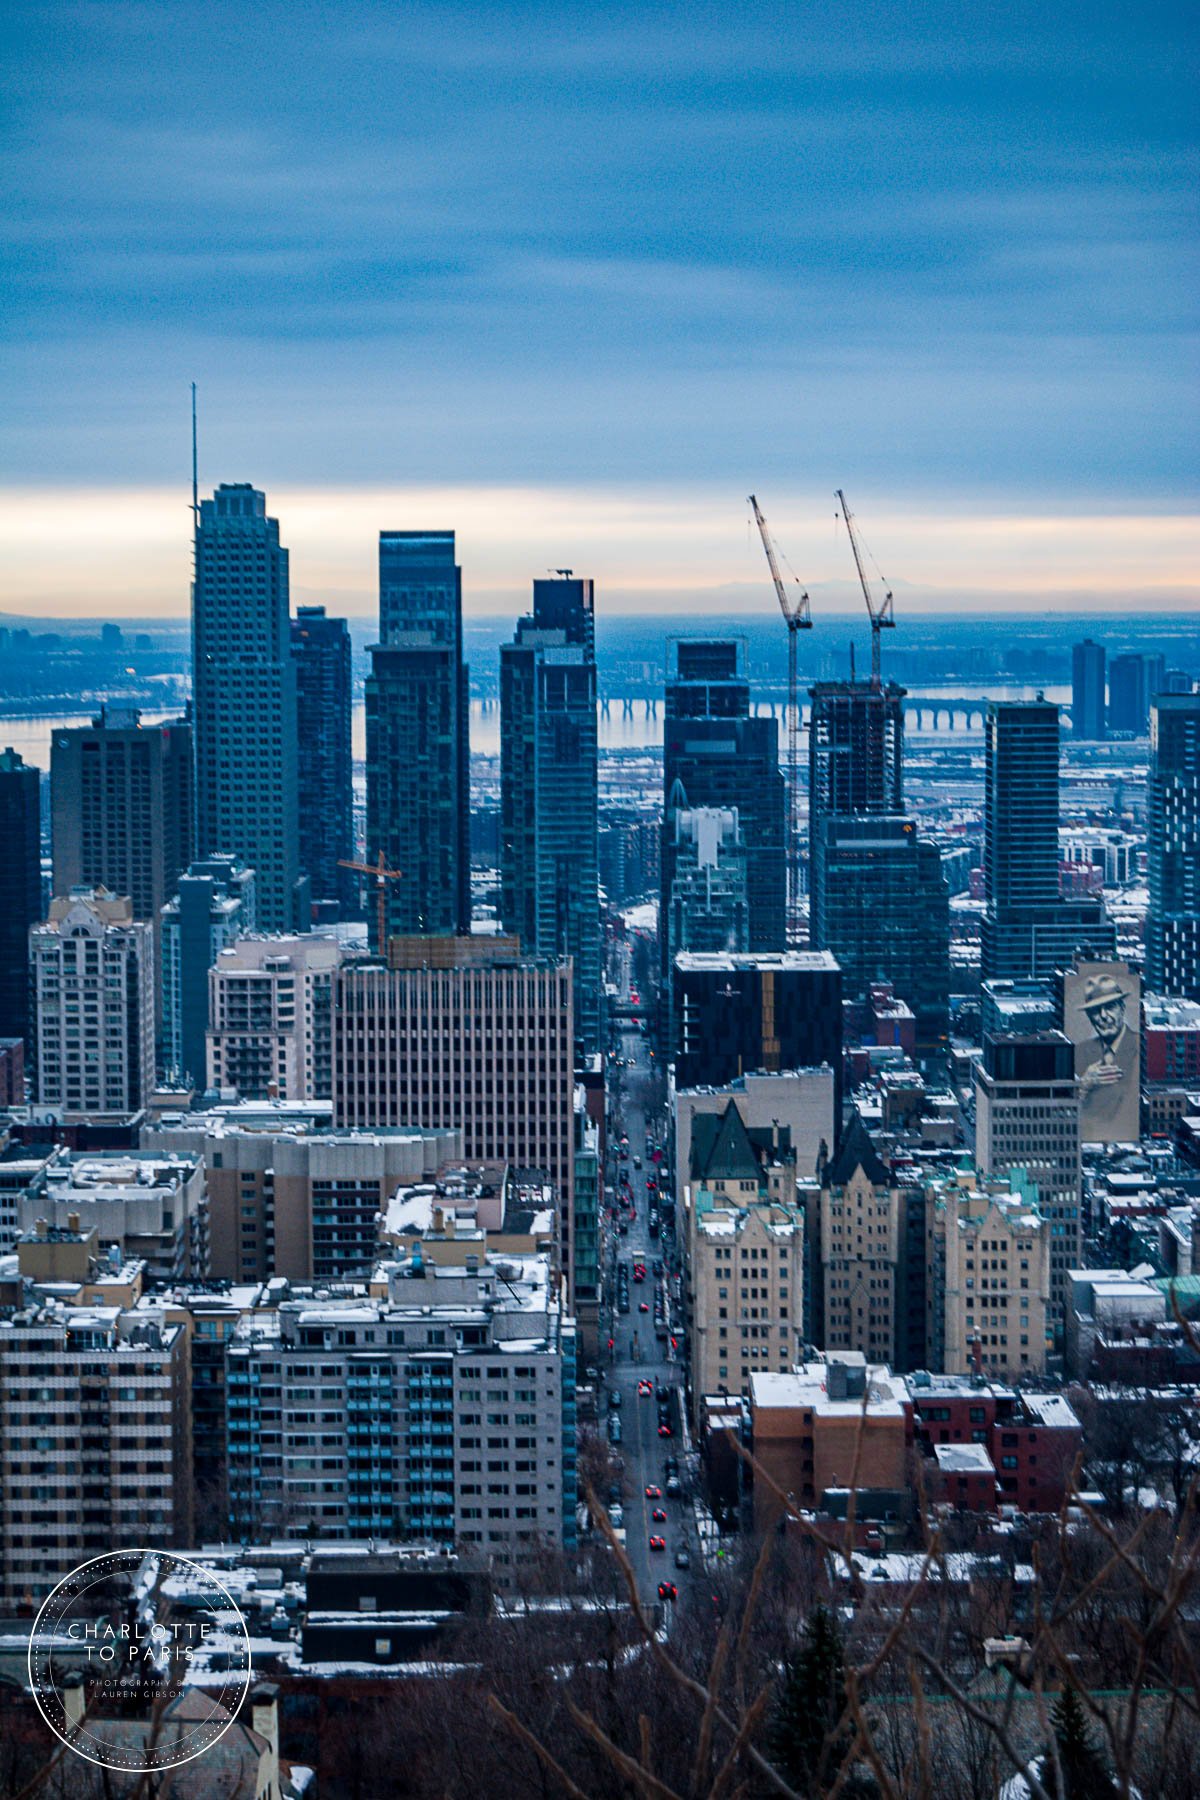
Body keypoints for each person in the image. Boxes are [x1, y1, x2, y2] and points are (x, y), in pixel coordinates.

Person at [1075, 972, 1137, 1137]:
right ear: (1089, 1017)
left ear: (1122, 1009)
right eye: (1095, 1011)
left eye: (1110, 1007)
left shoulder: (1139, 1047)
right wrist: (1082, 1086)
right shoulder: (1079, 1051)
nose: (1103, 1016)